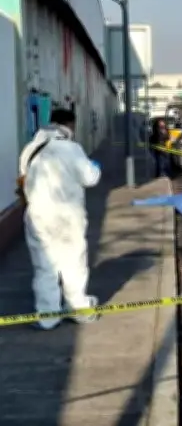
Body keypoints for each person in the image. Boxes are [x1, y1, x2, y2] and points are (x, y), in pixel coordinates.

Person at [18, 108, 102, 330]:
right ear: (70, 125)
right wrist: (95, 167)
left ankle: (47, 316)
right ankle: (78, 308)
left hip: (38, 215)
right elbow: (90, 178)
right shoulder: (72, 149)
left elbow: (23, 179)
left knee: (44, 265)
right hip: (67, 215)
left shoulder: (30, 149)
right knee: (73, 262)